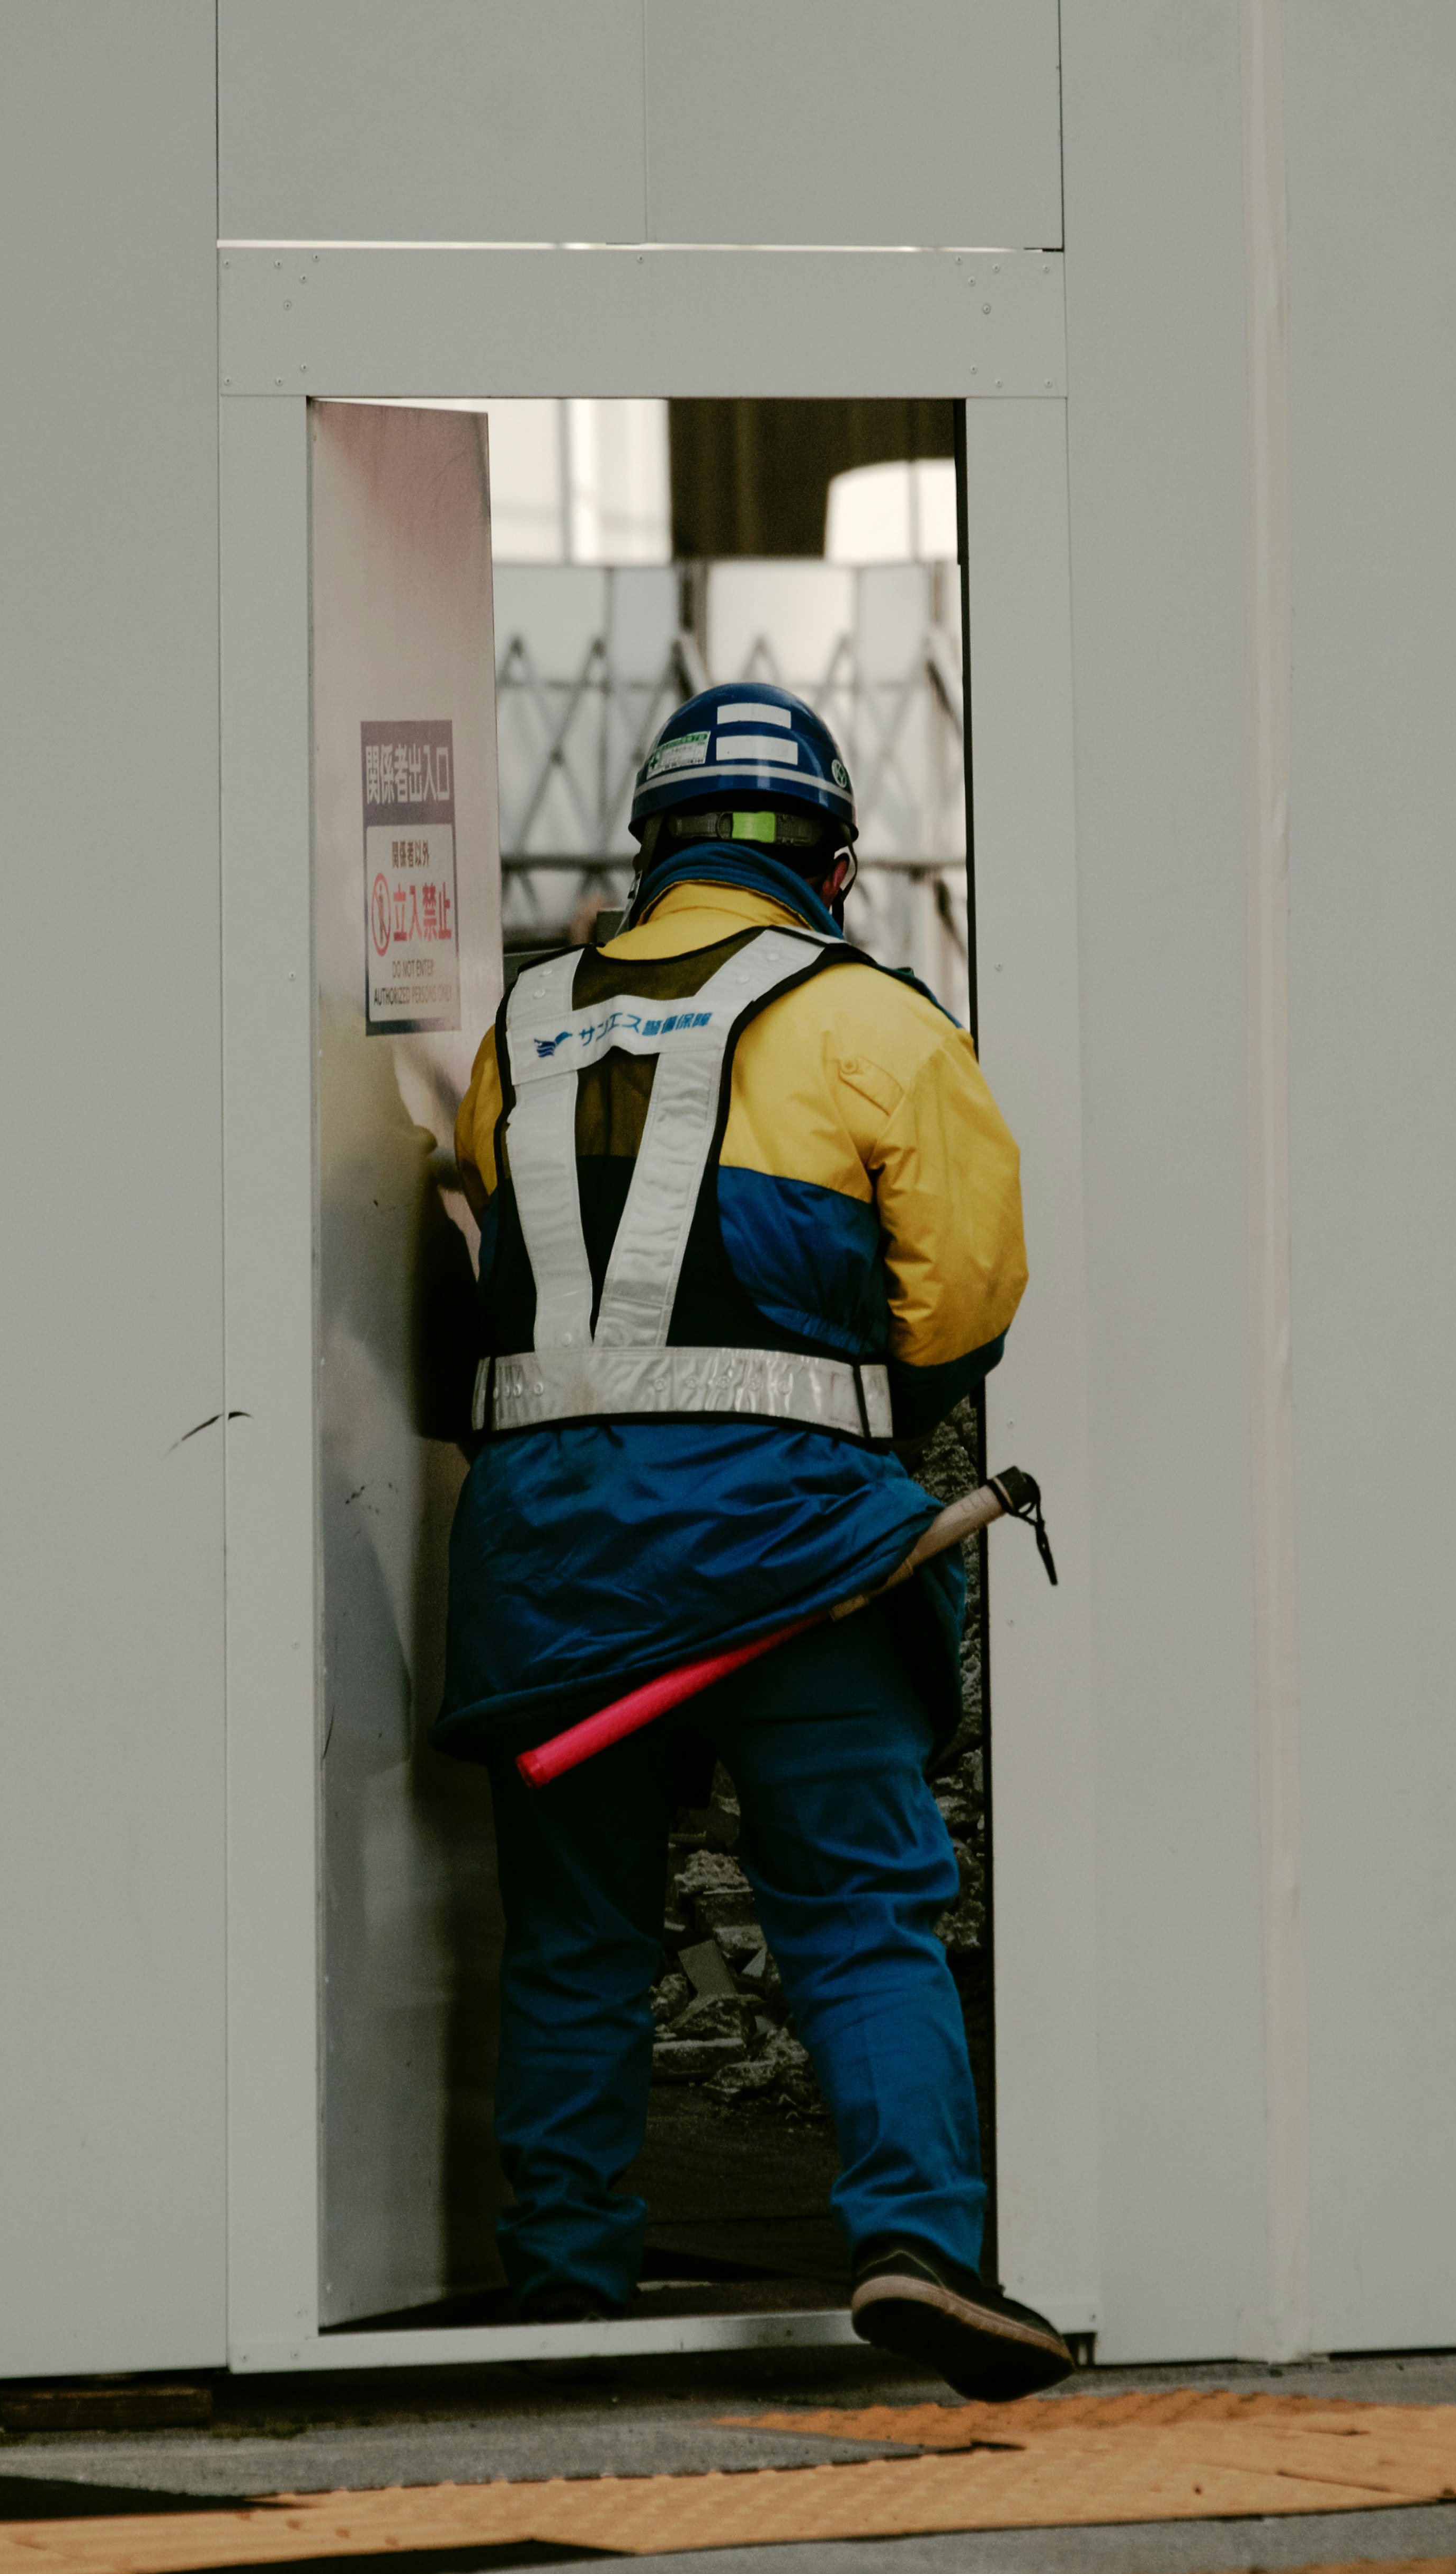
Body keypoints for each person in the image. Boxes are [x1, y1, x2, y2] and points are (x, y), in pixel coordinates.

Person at [433, 685, 1071, 2402]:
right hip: (795, 1553)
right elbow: (969, 1302)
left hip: (551, 1559)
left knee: (578, 1936)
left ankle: (561, 2285)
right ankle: (916, 2244)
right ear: (840, 865)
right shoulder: (875, 1018)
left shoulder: (522, 1020)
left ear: (648, 852)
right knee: (861, 1908)